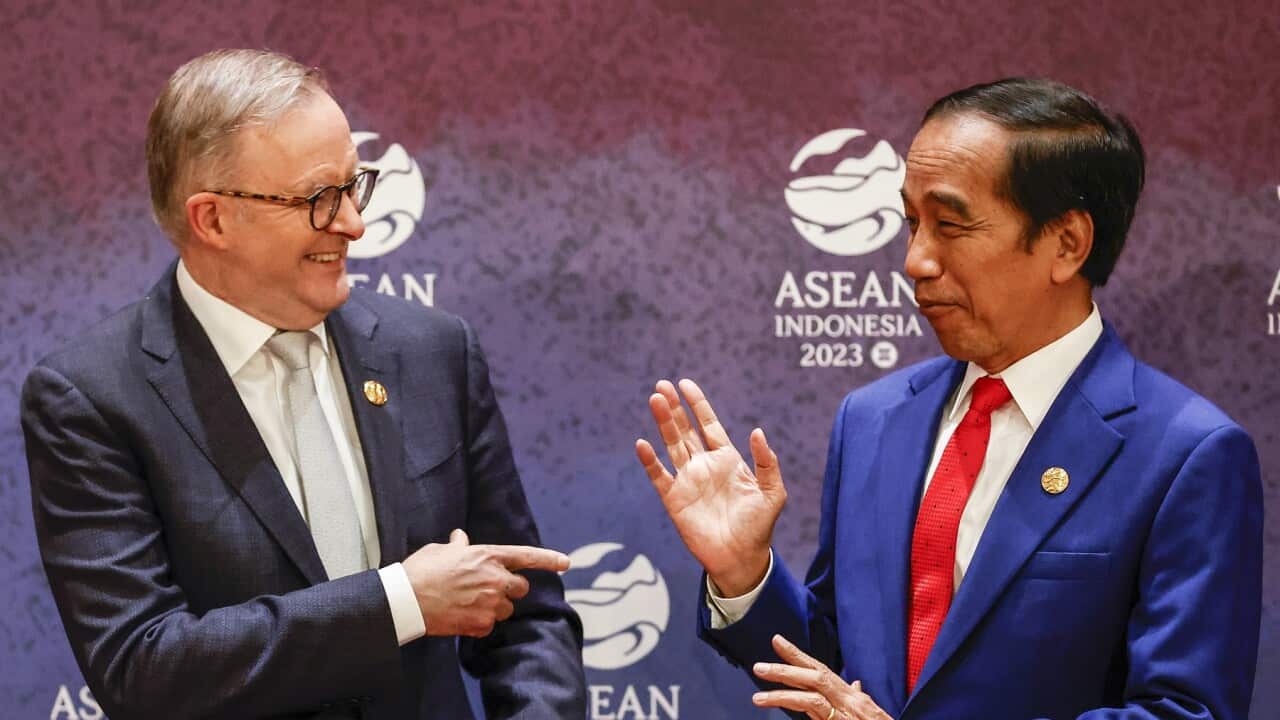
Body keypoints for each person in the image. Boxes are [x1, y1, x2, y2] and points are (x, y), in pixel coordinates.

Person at [637, 78, 1262, 720]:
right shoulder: (874, 419)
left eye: (951, 225)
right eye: (912, 223)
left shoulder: (1187, 455)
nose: (915, 261)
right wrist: (747, 575)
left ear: (1067, 243)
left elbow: (1186, 712)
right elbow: (836, 672)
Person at [22, 49, 585, 719]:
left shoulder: (433, 351)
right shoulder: (92, 398)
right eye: (320, 198)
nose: (354, 223)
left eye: (355, 185)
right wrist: (398, 601)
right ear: (213, 220)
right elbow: (143, 667)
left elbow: (527, 614)